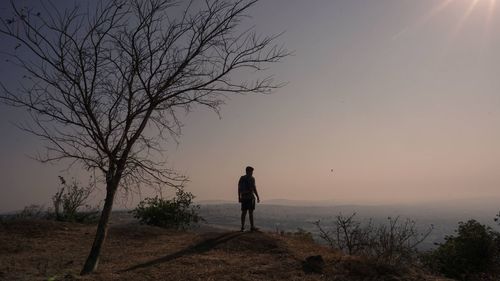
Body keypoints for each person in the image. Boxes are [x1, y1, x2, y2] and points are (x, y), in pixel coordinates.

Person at [238, 166, 260, 232]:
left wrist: (257, 196)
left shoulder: (252, 178)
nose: (252, 173)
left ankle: (250, 227)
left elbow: (254, 188)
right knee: (245, 212)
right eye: (251, 171)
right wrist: (239, 197)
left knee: (249, 212)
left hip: (249, 197)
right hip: (246, 198)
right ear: (247, 171)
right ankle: (244, 227)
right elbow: (240, 188)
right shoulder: (243, 178)